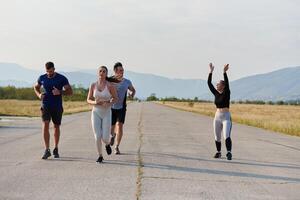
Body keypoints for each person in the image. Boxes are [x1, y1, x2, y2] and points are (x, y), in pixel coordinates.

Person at [34, 62, 73, 159]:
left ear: (54, 69)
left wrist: (60, 91)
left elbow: (70, 91)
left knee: (56, 126)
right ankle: (47, 150)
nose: (49, 73)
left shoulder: (61, 78)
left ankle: (56, 148)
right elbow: (36, 87)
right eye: (47, 71)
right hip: (45, 105)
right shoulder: (42, 78)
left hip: (57, 106)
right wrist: (39, 95)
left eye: (51, 71)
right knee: (45, 125)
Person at [87, 66, 118, 163]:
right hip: (96, 112)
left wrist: (108, 104)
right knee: (97, 136)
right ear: (98, 73)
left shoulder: (110, 86)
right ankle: (100, 155)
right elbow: (88, 99)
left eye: (104, 71)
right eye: (100, 71)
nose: (102, 73)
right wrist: (94, 103)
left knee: (105, 137)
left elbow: (115, 98)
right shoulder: (93, 85)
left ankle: (108, 144)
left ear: (106, 74)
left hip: (106, 112)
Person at [207, 63, 233, 160]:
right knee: (217, 136)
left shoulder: (227, 93)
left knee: (226, 135)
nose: (216, 85)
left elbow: (227, 82)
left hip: (226, 116)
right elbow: (209, 84)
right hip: (217, 116)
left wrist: (224, 72)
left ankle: (229, 153)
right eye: (217, 84)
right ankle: (218, 152)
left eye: (218, 84)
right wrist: (211, 72)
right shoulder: (216, 93)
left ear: (223, 86)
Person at [110, 62, 136, 154]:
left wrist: (131, 95)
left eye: (123, 70)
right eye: (120, 70)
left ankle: (117, 147)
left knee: (119, 125)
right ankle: (112, 135)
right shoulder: (110, 80)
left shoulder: (127, 82)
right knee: (111, 127)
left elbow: (133, 90)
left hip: (122, 107)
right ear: (115, 71)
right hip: (111, 107)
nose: (122, 72)